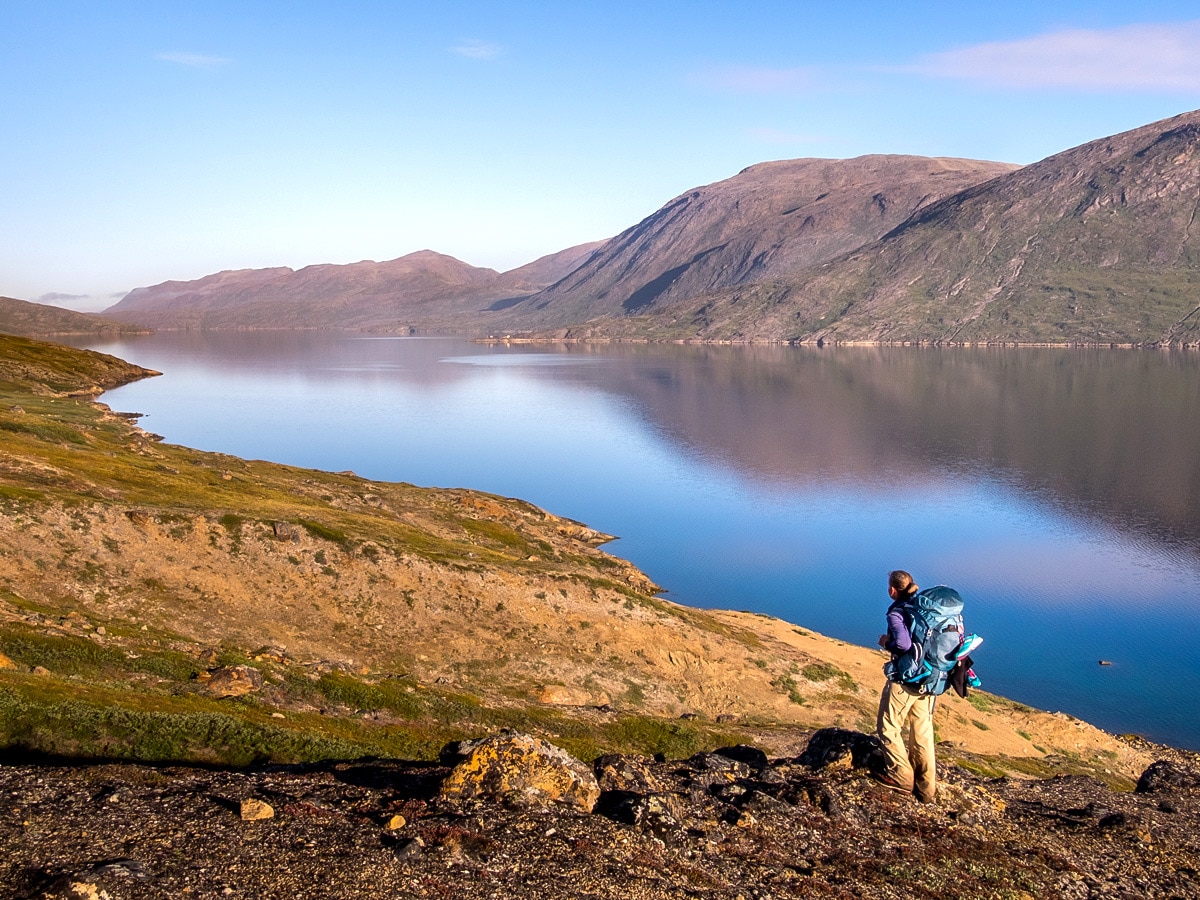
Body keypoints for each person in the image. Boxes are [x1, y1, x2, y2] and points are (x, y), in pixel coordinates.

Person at [874, 569, 937, 803]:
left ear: (892, 590)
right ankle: (926, 788)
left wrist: (886, 642)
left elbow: (902, 644)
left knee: (888, 726)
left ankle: (901, 776)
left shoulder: (897, 612)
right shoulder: (922, 607)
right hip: (929, 679)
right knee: (921, 732)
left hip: (906, 679)